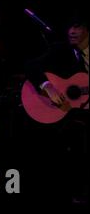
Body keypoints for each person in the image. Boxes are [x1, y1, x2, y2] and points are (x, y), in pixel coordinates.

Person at [24, 12, 88, 203]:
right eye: (70, 27)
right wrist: (48, 86)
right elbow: (31, 65)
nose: (72, 31)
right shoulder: (60, 50)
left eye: (77, 27)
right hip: (66, 116)